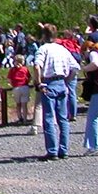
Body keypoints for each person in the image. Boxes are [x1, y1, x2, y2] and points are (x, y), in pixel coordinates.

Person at [34, 26, 78, 160]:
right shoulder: (63, 49)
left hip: (49, 82)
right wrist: (67, 80)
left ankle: (52, 150)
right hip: (61, 82)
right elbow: (75, 67)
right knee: (63, 118)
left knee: (48, 117)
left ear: (44, 35)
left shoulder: (43, 49)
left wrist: (39, 82)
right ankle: (63, 149)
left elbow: (37, 66)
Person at [7, 54, 31, 124]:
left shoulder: (12, 70)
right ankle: (25, 119)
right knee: (24, 105)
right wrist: (27, 82)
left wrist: (12, 84)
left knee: (18, 104)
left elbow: (9, 79)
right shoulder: (25, 69)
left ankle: (20, 118)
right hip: (24, 86)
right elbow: (29, 77)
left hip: (16, 87)